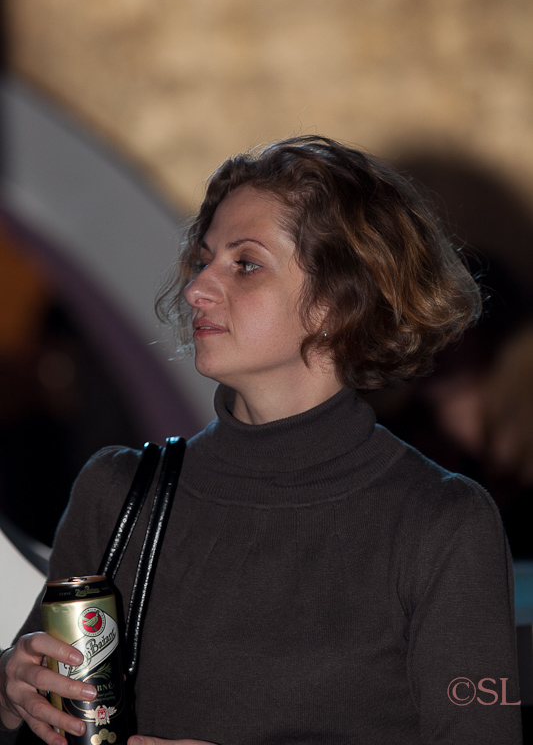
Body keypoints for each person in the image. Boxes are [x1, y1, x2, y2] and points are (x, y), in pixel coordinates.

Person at [0, 136, 522, 744]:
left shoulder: (442, 522)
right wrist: (10, 692)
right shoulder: (118, 493)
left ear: (338, 303)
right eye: (204, 260)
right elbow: (44, 714)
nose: (197, 289)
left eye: (245, 264)